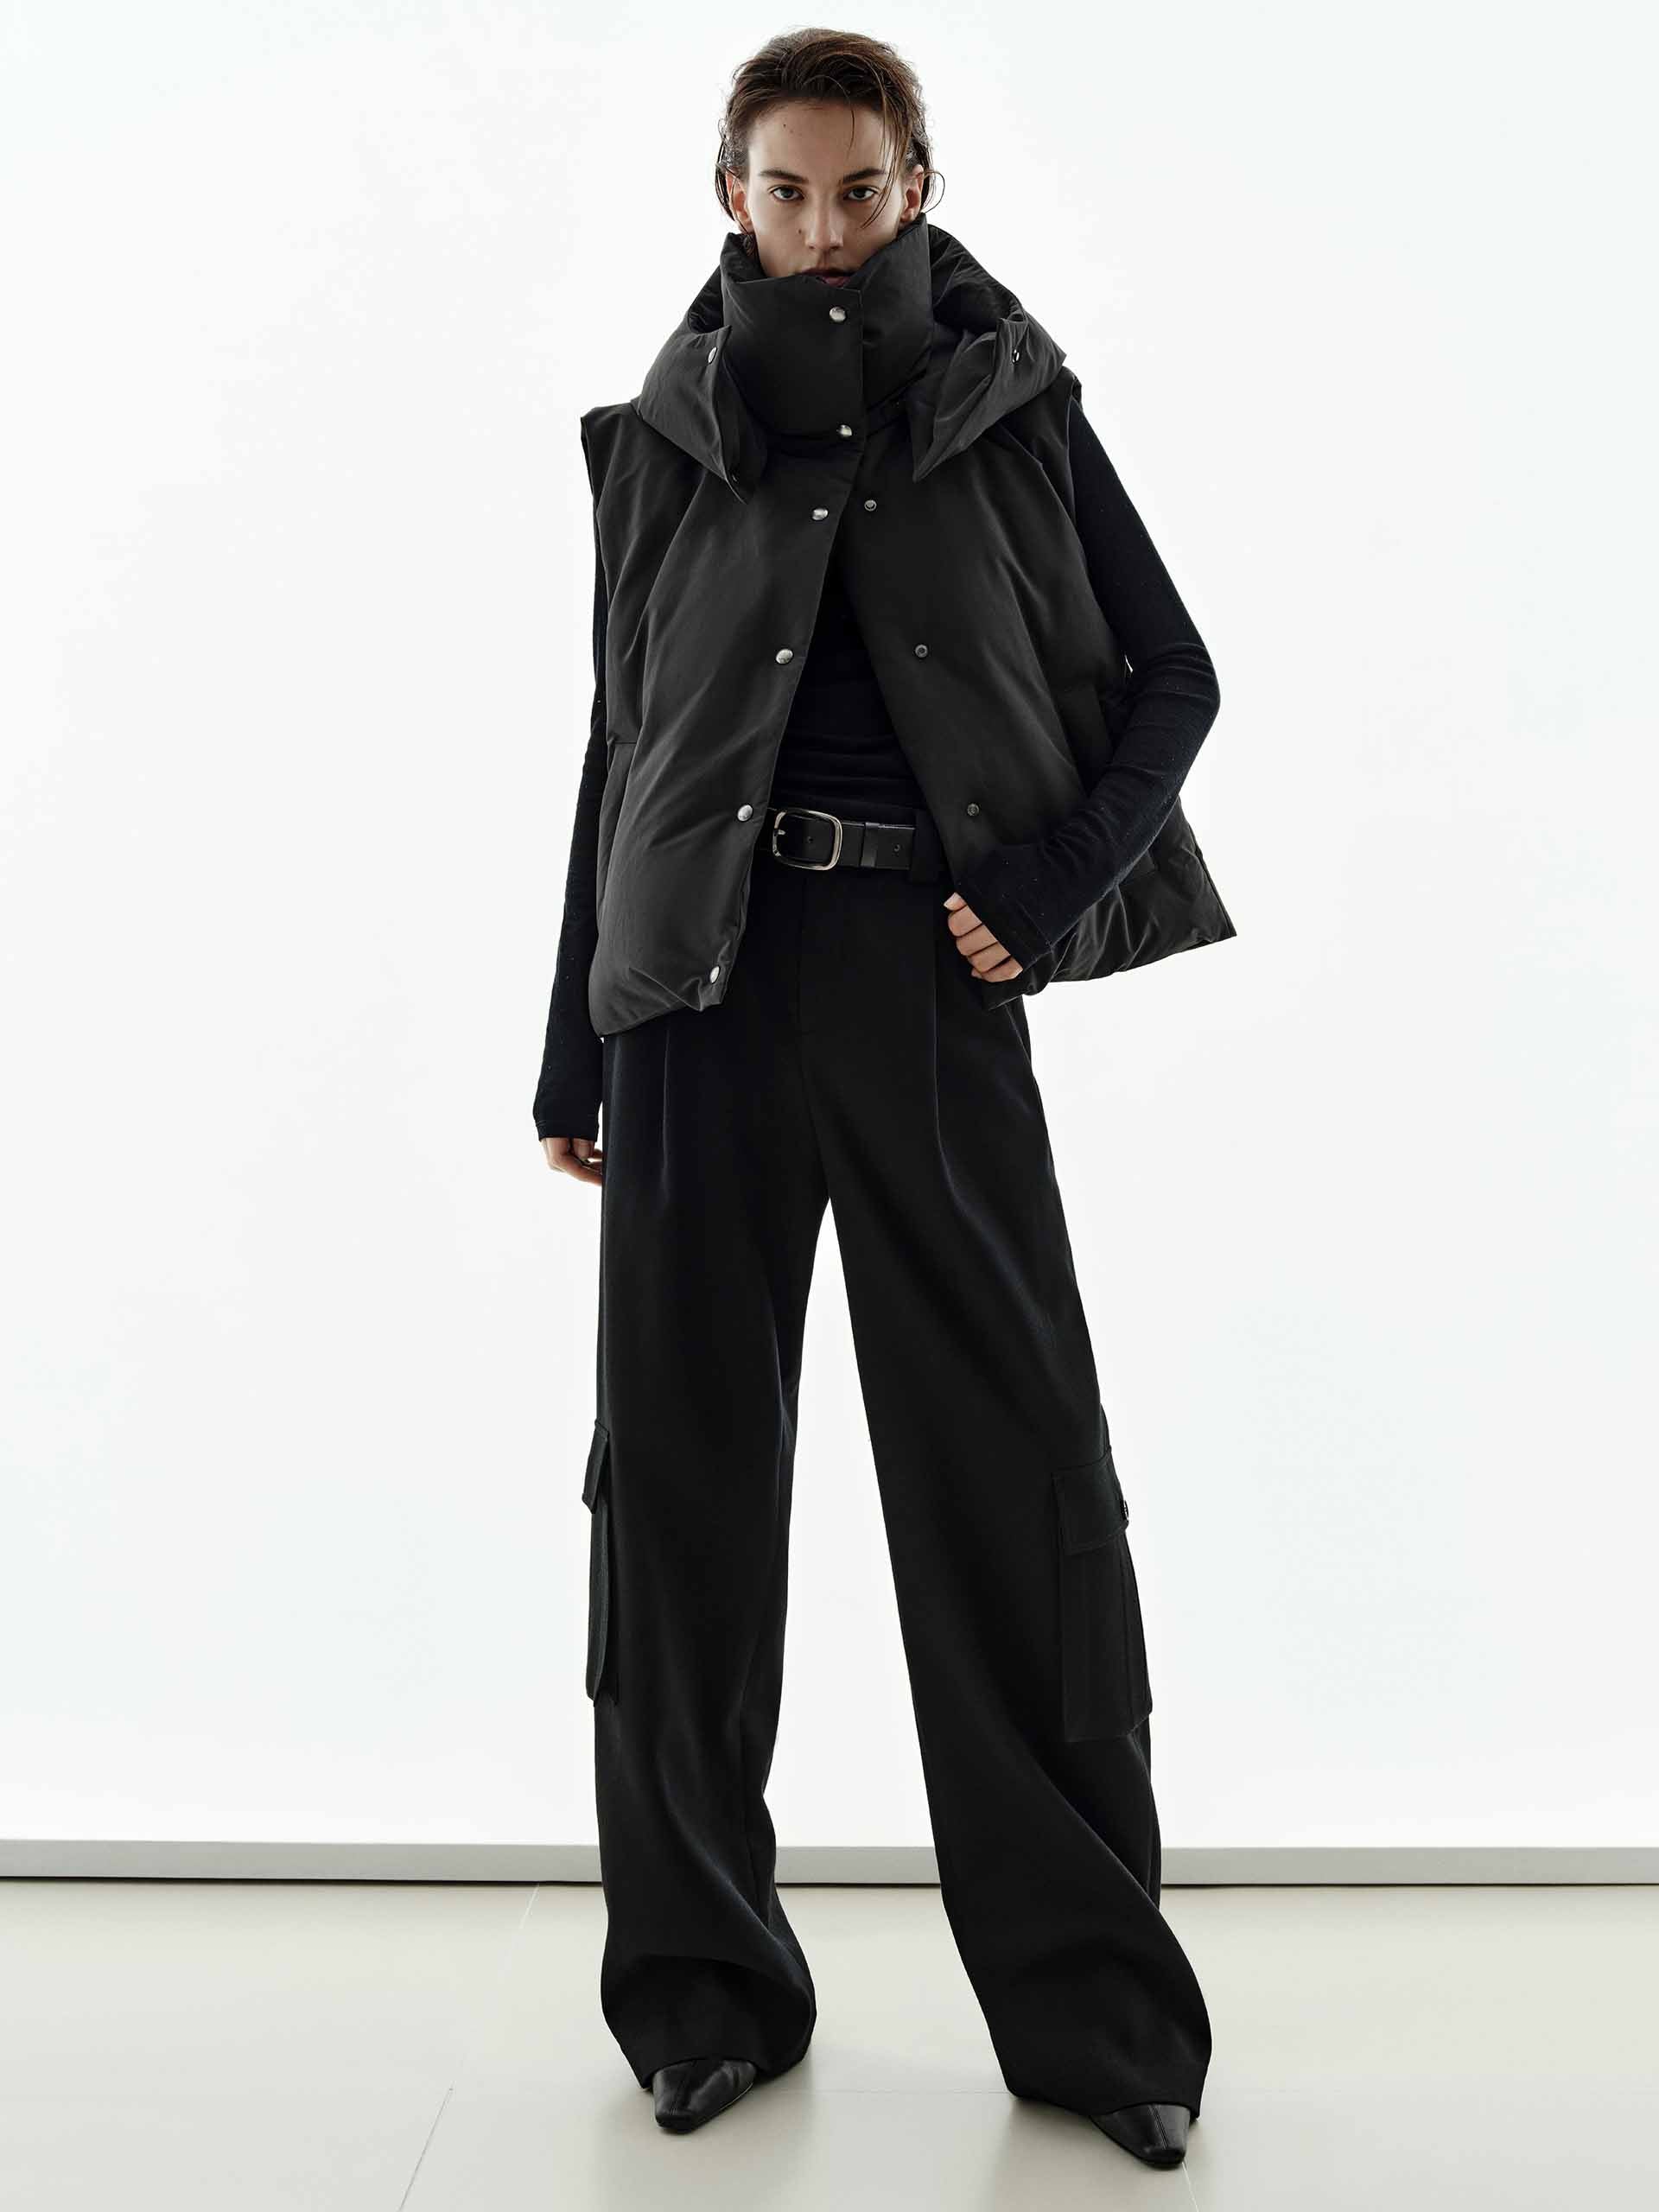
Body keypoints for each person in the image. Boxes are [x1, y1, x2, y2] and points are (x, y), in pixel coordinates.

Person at [532, 30, 1234, 2175]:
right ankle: (704, 1995)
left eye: (859, 190)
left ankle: (1099, 2019)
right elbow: (621, 744)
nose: (823, 227)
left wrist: (1043, 888)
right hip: (698, 1008)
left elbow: (1177, 673)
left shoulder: (1011, 407)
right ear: (729, 195)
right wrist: (576, 1037)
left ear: (917, 187)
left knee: (1013, 1481)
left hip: (926, 981)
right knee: (679, 1502)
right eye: (787, 189)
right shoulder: (667, 436)